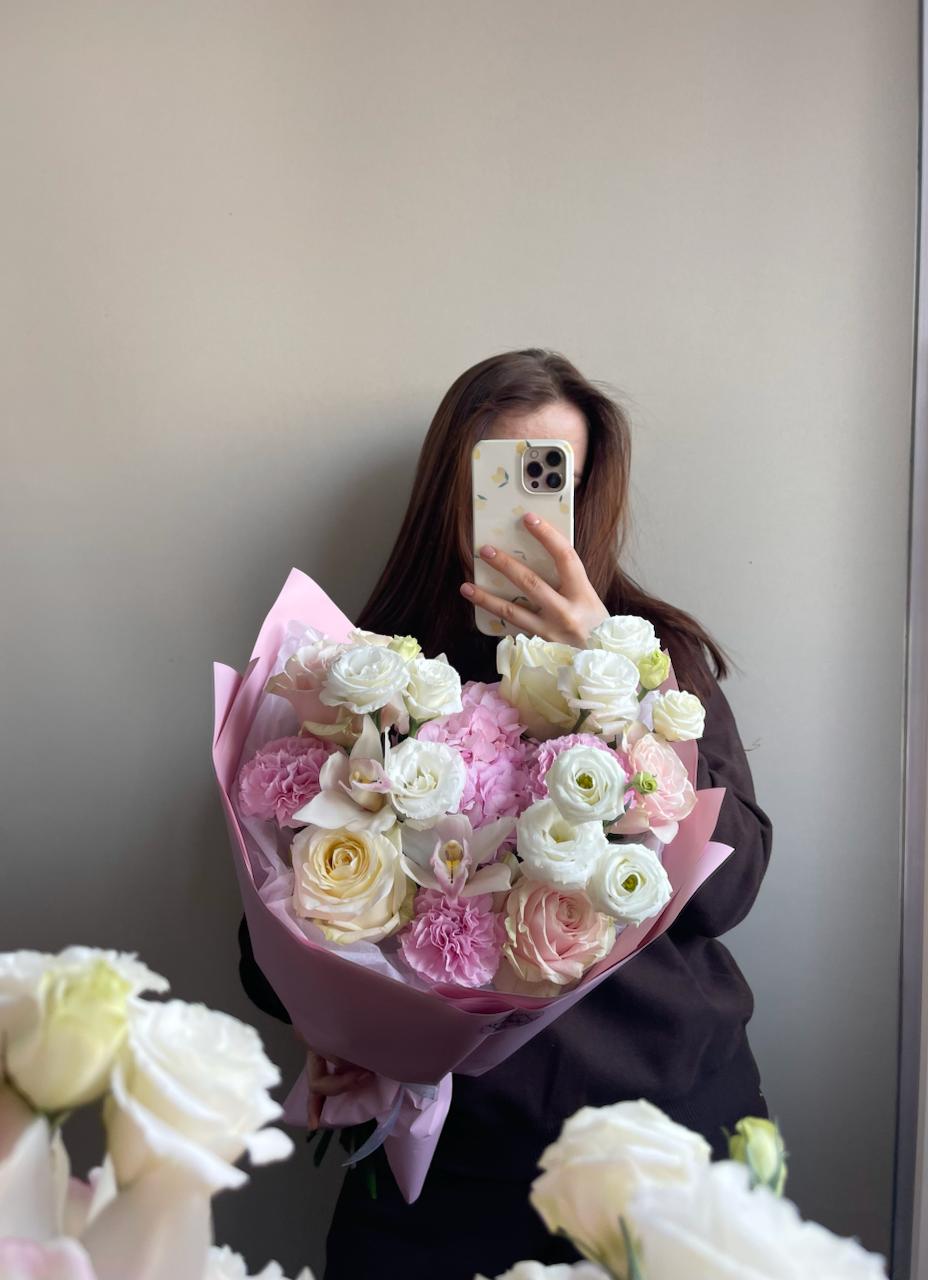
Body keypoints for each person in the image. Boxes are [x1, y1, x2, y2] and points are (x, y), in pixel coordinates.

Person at [237, 348, 773, 1278]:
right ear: (450, 488)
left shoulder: (656, 656)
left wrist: (613, 669)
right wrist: (332, 1030)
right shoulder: (358, 671)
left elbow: (733, 888)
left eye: (552, 482)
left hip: (659, 1132)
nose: (526, 520)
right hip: (443, 1161)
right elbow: (269, 944)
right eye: (499, 480)